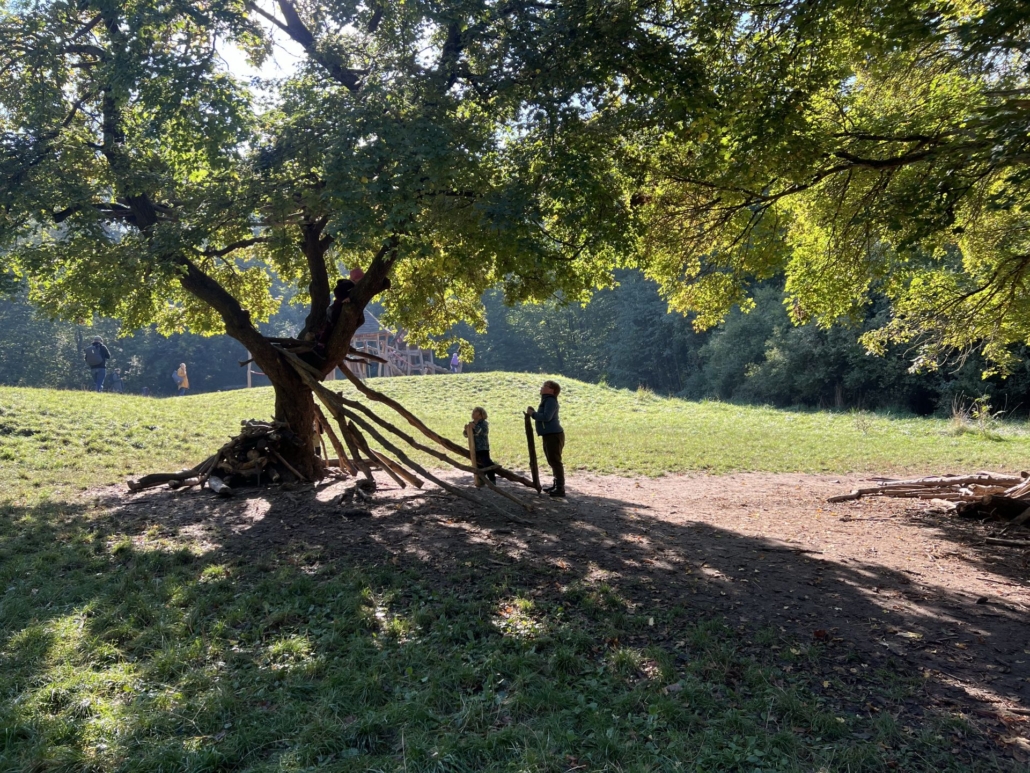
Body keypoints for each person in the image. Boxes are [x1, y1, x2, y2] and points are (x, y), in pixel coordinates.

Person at [527, 380, 565, 497]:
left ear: (551, 390)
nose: (542, 387)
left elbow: (546, 417)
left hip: (553, 435)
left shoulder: (550, 401)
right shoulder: (546, 400)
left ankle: (560, 488)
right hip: (549, 435)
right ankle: (556, 485)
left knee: (555, 461)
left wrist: (533, 414)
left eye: (545, 386)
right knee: (552, 461)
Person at [315, 268, 365, 356]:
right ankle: (320, 344)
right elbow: (337, 291)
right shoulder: (348, 284)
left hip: (339, 311)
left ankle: (320, 337)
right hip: (335, 310)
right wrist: (343, 298)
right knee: (331, 326)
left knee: (334, 327)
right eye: (360, 279)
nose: (362, 280)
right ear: (354, 279)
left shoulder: (356, 286)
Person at [463, 407, 496, 486]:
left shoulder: (483, 423)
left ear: (481, 414)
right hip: (474, 447)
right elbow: (465, 435)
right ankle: (481, 480)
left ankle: (492, 479)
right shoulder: (472, 423)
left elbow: (483, 432)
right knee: (478, 464)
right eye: (473, 412)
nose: (473, 413)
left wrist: (474, 426)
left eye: (475, 412)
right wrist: (466, 430)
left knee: (486, 462)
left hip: (483, 447)